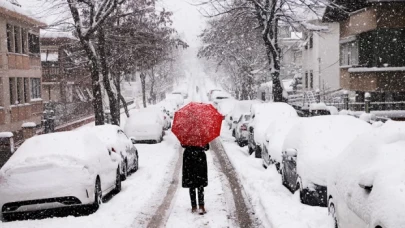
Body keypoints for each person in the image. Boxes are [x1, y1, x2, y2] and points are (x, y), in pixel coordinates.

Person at [182, 144, 209, 215]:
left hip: (189, 159)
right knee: (200, 184)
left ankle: (194, 206)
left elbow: (183, 145)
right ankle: (201, 206)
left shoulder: (186, 134)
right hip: (199, 159)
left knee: (192, 184)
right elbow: (206, 147)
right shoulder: (202, 134)